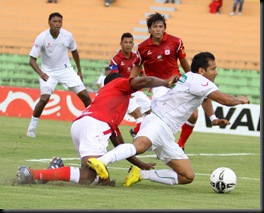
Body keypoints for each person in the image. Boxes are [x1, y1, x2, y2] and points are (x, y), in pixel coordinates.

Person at [86, 51, 250, 187]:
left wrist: (213, 118)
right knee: (141, 146)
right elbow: (225, 100)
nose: (216, 72)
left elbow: (206, 99)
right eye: (213, 69)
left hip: (167, 131)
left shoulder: (195, 80)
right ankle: (101, 161)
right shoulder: (199, 80)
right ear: (201, 71)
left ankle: (141, 174)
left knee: (187, 176)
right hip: (159, 119)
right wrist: (240, 100)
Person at [17, 72, 179, 186]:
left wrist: (140, 164)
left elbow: (119, 146)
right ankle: (33, 173)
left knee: (99, 178)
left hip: (81, 124)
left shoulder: (107, 97)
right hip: (93, 126)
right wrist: (166, 82)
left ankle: (56, 169)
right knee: (89, 176)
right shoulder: (118, 84)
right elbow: (145, 81)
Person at [129, 12, 207, 150]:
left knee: (194, 115)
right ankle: (147, 136)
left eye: (161, 26)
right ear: (149, 29)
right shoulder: (142, 48)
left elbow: (183, 62)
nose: (158, 29)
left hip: (177, 83)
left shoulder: (175, 42)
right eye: (155, 27)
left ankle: (181, 144)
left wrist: (193, 79)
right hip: (158, 85)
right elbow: (137, 65)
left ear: (164, 28)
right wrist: (129, 83)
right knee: (162, 115)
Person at [26, 12, 92, 138]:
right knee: (44, 99)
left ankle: (92, 125)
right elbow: (31, 60)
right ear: (49, 23)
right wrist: (41, 73)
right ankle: (31, 129)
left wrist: (79, 70)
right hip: (48, 72)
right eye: (54, 21)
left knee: (86, 97)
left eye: (59, 22)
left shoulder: (67, 35)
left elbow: (75, 52)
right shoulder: (42, 37)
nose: (57, 24)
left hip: (66, 70)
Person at [108, 32, 152, 138]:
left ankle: (136, 131)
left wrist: (149, 83)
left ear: (133, 44)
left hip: (135, 91)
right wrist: (125, 90)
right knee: (137, 112)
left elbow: (141, 71)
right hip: (123, 93)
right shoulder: (115, 60)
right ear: (121, 44)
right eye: (125, 42)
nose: (128, 44)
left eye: (130, 42)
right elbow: (114, 77)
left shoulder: (136, 57)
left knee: (150, 111)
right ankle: (141, 137)